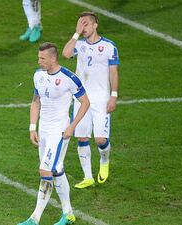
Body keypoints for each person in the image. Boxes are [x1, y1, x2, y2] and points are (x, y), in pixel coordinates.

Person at [18, 42, 90, 225]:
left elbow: (85, 102)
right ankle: (68, 214)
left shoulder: (68, 78)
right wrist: (32, 127)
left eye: (42, 58)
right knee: (57, 169)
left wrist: (72, 126)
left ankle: (34, 219)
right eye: (38, 57)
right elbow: (35, 101)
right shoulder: (38, 75)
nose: (39, 61)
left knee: (45, 170)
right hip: (43, 130)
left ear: (52, 58)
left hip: (59, 131)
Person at [62, 12, 120, 189]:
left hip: (101, 99)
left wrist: (114, 95)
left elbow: (113, 72)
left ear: (95, 25)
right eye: (80, 24)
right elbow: (65, 54)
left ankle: (104, 160)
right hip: (82, 99)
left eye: (85, 24)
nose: (83, 27)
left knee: (101, 140)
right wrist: (76, 33)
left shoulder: (109, 46)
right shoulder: (79, 45)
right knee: (81, 136)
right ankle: (88, 177)